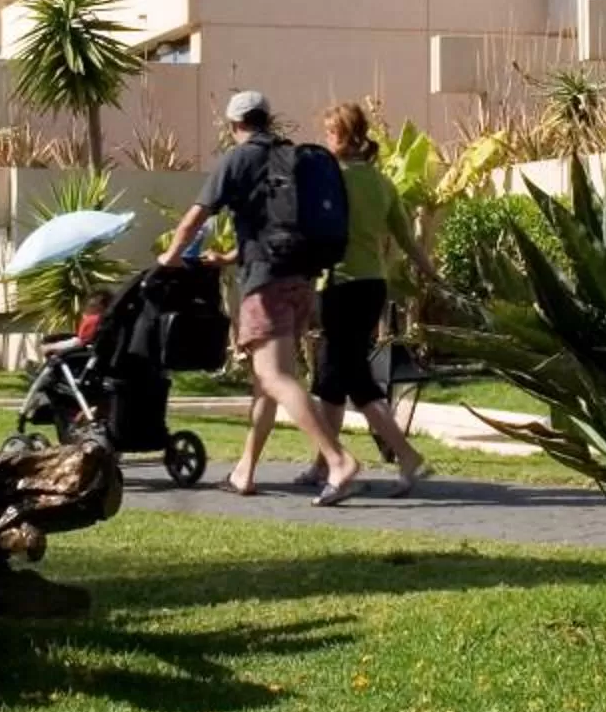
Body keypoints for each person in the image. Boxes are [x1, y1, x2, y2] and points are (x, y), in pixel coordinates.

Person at [159, 90, 360, 505]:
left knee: (274, 378)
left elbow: (197, 216)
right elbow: (277, 224)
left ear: (235, 125)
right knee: (266, 383)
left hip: (265, 284)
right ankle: (244, 470)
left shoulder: (238, 158)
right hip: (301, 279)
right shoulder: (291, 156)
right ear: (268, 120)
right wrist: (230, 257)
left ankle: (337, 460)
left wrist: (170, 257)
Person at [299, 103, 429, 493]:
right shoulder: (381, 183)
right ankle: (323, 463)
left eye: (328, 133)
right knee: (330, 378)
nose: (326, 140)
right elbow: (407, 239)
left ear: (340, 136)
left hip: (341, 287)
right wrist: (430, 271)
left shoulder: (332, 180)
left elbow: (312, 233)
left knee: (353, 378)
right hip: (373, 286)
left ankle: (407, 455)